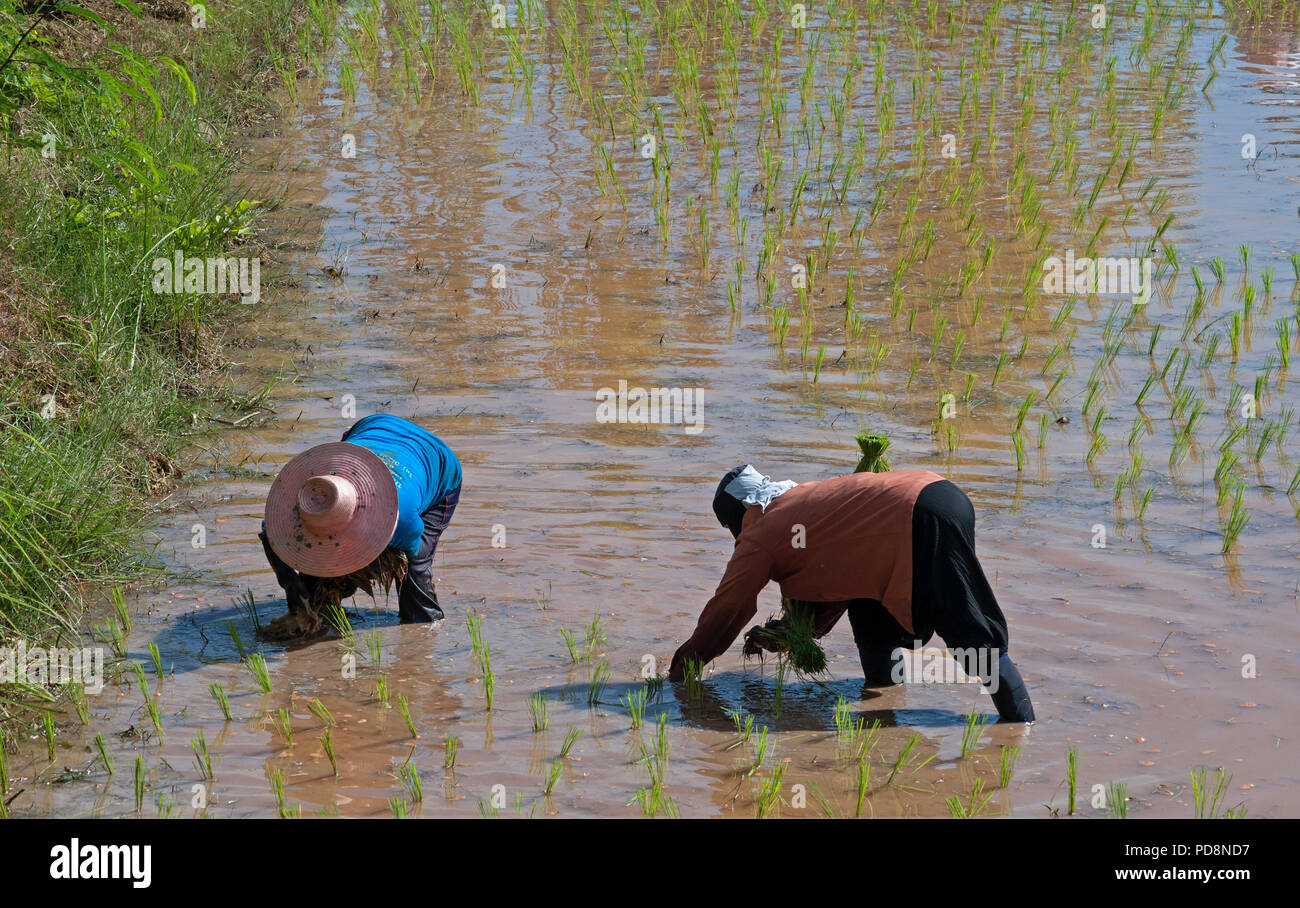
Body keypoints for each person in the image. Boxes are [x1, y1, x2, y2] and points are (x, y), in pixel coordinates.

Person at [667, 464, 1035, 722]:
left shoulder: (761, 533)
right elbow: (832, 591)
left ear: (746, 510)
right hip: (939, 494)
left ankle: (1020, 727)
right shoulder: (804, 498)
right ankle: (884, 702)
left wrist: (686, 663)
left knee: (969, 634)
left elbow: (729, 607)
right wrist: (786, 633)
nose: (738, 538)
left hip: (919, 516)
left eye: (735, 527)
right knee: (870, 610)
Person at [259, 414, 461, 631]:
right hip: (372, 426)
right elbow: (269, 536)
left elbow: (411, 550)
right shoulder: (306, 498)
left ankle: (424, 630)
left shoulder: (399, 522)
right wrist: (291, 584)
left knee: (415, 568)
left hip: (435, 460)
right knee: (313, 570)